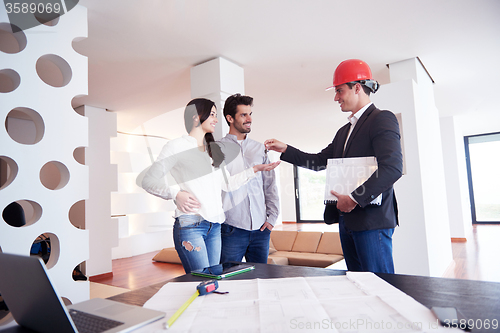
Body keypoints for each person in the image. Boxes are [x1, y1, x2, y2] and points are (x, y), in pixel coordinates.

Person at [265, 59, 403, 274]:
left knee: (380, 284)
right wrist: (285, 150)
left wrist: (355, 198)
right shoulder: (343, 132)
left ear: (357, 87)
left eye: (339, 90)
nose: (336, 97)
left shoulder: (381, 119)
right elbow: (319, 162)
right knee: (357, 283)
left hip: (371, 222)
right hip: (346, 221)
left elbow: (392, 168)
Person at [142, 98, 279, 273]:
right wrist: (176, 194)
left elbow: (228, 184)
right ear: (196, 117)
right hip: (191, 225)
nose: (215, 119)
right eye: (212, 115)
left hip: (215, 226)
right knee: (202, 280)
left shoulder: (213, 150)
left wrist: (255, 169)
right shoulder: (176, 146)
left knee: (215, 280)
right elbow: (149, 180)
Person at [218, 94, 279, 264]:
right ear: (230, 118)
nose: (249, 119)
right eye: (243, 115)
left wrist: (272, 218)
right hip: (231, 229)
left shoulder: (260, 149)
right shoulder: (217, 149)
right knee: (229, 280)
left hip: (261, 229)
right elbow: (221, 186)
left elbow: (270, 186)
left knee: (261, 279)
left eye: (250, 114)